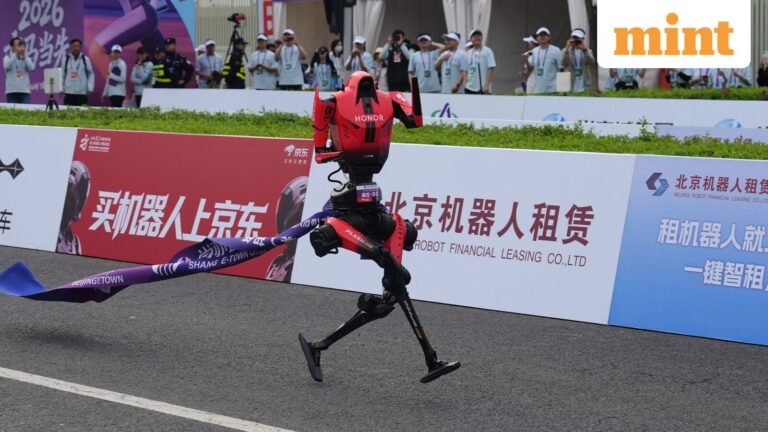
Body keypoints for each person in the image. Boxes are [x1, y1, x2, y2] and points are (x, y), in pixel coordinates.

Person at [300, 71, 461, 384]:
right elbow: (415, 120)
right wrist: (411, 87)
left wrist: (413, 86)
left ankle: (321, 346)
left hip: (370, 208)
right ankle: (430, 358)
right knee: (383, 260)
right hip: (344, 218)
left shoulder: (337, 102)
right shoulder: (379, 100)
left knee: (393, 287)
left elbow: (321, 151)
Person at [525, 27, 562, 94]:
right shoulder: (534, 51)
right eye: (540, 35)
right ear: (537, 38)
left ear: (549, 37)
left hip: (552, 89)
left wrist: (561, 88)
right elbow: (530, 68)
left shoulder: (556, 50)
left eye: (545, 34)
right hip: (537, 89)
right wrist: (526, 60)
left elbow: (561, 69)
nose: (542, 37)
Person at [560, 28, 595, 93]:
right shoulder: (566, 50)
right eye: (574, 38)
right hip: (571, 85)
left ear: (582, 39)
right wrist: (567, 48)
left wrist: (584, 50)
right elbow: (562, 63)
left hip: (584, 85)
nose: (575, 40)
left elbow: (592, 63)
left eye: (578, 38)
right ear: (570, 38)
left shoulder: (587, 51)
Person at [62, 39, 95, 106]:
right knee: (68, 113)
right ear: (70, 47)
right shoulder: (66, 59)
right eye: (74, 46)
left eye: (77, 46)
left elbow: (91, 74)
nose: (76, 48)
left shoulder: (85, 59)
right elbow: (62, 74)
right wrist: (61, 87)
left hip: (82, 92)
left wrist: (90, 87)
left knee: (81, 113)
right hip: (69, 91)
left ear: (81, 47)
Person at [3, 37, 34, 104]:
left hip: (24, 91)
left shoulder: (26, 58)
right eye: (17, 45)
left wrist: (25, 55)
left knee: (26, 112)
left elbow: (31, 68)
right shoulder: (7, 57)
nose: (19, 47)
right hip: (11, 91)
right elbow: (6, 66)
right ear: (12, 47)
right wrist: (15, 54)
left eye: (20, 44)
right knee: (12, 113)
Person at [465, 29, 496, 94]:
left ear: (482, 38)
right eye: (474, 36)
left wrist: (487, 85)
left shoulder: (488, 51)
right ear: (471, 39)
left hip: (483, 88)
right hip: (469, 87)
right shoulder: (468, 53)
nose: (477, 38)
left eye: (479, 36)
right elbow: (465, 70)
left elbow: (491, 68)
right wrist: (465, 83)